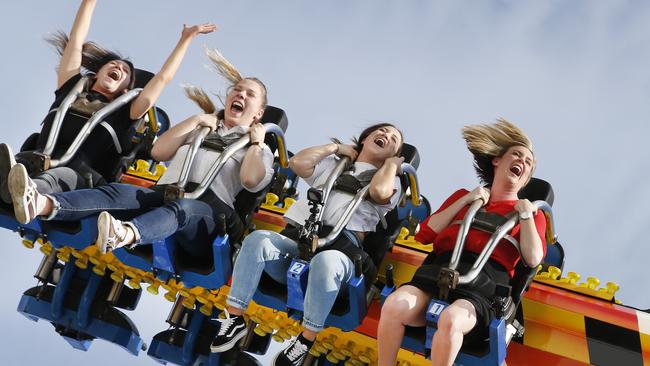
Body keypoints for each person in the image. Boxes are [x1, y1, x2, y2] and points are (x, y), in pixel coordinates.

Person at [6, 49, 274, 260]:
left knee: (182, 209)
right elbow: (160, 151)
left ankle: (124, 234)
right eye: (237, 90)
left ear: (259, 113)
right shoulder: (202, 129)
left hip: (209, 216)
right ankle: (40, 204)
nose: (240, 94)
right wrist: (195, 121)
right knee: (114, 193)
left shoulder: (259, 149)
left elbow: (251, 181)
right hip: (167, 193)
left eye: (249, 94)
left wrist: (256, 142)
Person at [209, 123, 405, 366]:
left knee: (326, 260)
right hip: (300, 242)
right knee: (258, 240)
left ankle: (306, 339)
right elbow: (298, 164)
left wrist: (391, 166)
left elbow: (378, 191)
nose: (386, 135)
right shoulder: (334, 164)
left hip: (340, 252)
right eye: (383, 131)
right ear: (364, 138)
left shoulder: (391, 181)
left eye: (394, 139)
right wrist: (335, 148)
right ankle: (235, 318)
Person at [0, 0, 216, 206]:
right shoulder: (70, 89)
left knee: (56, 177)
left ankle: (27, 192)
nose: (119, 68)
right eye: (114, 64)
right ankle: (13, 187)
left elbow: (162, 79)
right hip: (38, 160)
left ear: (125, 89)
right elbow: (76, 42)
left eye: (125, 72)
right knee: (14, 162)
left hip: (79, 178)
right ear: (96, 74)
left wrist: (186, 38)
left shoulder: (126, 113)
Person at [377, 119, 546, 366]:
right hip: (440, 272)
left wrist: (525, 215)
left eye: (527, 162)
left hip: (481, 288)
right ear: (497, 160)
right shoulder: (464, 197)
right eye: (517, 155)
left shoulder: (532, 215)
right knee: (394, 305)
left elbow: (533, 259)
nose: (522, 161)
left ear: (526, 179)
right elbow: (425, 234)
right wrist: (466, 200)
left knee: (451, 320)